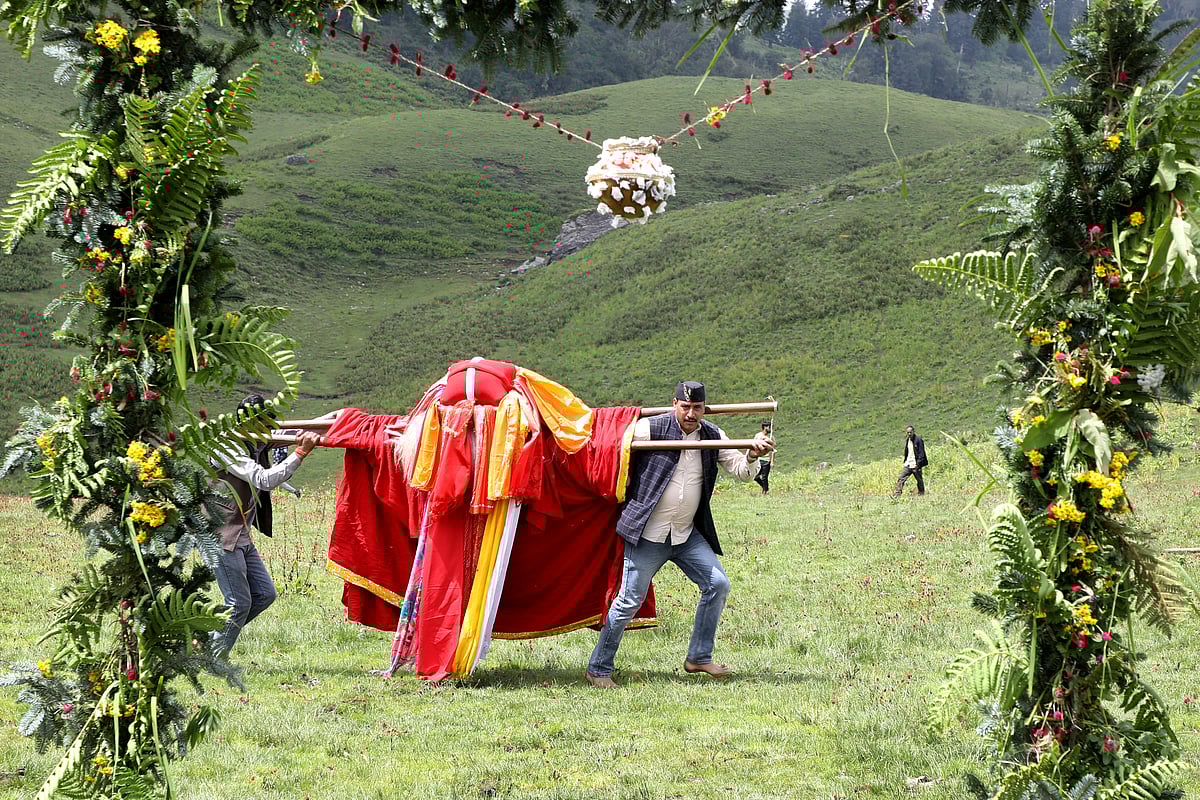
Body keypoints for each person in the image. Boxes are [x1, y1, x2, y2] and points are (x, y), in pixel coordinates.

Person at [585, 381, 775, 688]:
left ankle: (698, 658)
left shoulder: (713, 435)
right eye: (684, 406)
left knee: (718, 584)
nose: (690, 413)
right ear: (674, 403)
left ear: (703, 408)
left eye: (696, 408)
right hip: (648, 534)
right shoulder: (651, 428)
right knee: (628, 601)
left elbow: (740, 471)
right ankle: (598, 669)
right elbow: (609, 442)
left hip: (686, 535)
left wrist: (752, 455)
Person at [211, 394, 322, 656]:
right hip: (222, 536)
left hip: (241, 535)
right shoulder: (227, 447)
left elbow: (295, 429)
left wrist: (339, 419)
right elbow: (263, 479)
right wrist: (300, 454)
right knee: (238, 602)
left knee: (264, 595)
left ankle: (209, 637)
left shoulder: (256, 440)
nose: (267, 432)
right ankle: (212, 656)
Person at [892, 424, 928, 497]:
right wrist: (905, 461)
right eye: (908, 432)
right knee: (901, 478)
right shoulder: (907, 440)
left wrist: (918, 465)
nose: (909, 434)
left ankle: (921, 494)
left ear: (913, 432)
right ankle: (897, 495)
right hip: (908, 464)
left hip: (916, 464)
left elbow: (921, 454)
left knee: (919, 480)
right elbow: (907, 452)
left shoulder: (918, 440)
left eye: (910, 432)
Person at [752, 421, 775, 495]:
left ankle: (764, 491)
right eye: (769, 427)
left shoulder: (771, 438)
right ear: (765, 427)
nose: (770, 429)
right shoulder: (758, 436)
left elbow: (773, 451)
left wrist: (772, 461)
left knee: (765, 477)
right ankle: (765, 488)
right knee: (755, 476)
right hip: (758, 459)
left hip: (766, 460)